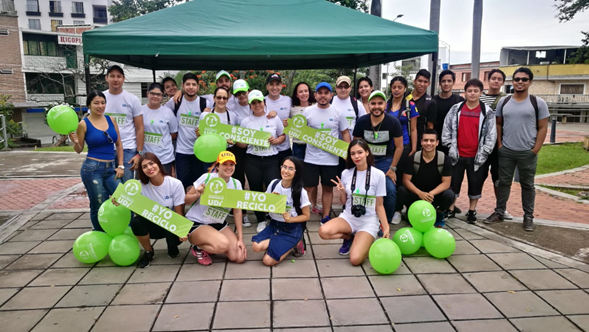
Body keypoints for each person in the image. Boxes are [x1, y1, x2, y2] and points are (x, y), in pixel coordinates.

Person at [484, 67, 549, 231]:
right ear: (512, 82)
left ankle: (528, 216)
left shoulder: (537, 103)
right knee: (503, 182)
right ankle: (499, 212)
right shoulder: (504, 102)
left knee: (527, 184)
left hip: (527, 151)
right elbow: (498, 124)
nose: (520, 82)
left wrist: (536, 149)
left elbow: (542, 127)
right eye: (517, 79)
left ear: (530, 82)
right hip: (506, 150)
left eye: (524, 79)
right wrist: (500, 144)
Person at [318, 139, 389, 264]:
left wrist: (386, 227)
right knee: (323, 231)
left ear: (367, 152)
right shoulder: (346, 173)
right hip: (349, 217)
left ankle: (365, 240)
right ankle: (349, 237)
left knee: (355, 260)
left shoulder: (378, 175)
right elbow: (344, 201)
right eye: (353, 153)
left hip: (368, 220)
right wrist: (341, 191)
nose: (356, 156)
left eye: (360, 152)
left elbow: (379, 205)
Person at [442, 78, 496, 224]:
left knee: (475, 183)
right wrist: (449, 145)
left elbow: (491, 135)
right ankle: (451, 208)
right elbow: (447, 128)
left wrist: (485, 151)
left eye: (475, 91)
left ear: (481, 93)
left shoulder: (487, 112)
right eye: (469, 91)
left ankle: (472, 211)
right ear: (465, 92)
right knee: (454, 183)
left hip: (477, 157)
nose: (472, 94)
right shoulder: (456, 109)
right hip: (457, 155)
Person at [69, 91, 124, 231]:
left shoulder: (111, 119)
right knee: (98, 204)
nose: (100, 106)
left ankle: (125, 229)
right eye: (96, 103)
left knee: (124, 199)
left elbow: (118, 144)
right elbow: (79, 149)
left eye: (103, 102)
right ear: (89, 105)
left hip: (111, 168)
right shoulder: (83, 124)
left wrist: (121, 166)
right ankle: (100, 233)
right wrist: (75, 142)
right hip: (92, 169)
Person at [185, 151, 247, 265]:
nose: (228, 167)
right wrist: (197, 194)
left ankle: (212, 243)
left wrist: (241, 239)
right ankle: (198, 248)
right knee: (222, 245)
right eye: (225, 164)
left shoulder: (236, 183)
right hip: (198, 222)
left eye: (231, 164)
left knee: (239, 256)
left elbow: (237, 211)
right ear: (217, 166)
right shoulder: (206, 178)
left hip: (217, 222)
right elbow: (186, 200)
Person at [302, 82, 351, 224]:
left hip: (331, 159)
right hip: (311, 158)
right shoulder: (308, 111)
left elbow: (345, 133)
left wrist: (347, 152)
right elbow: (300, 131)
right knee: (308, 188)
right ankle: (302, 215)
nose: (323, 96)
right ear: (315, 95)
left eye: (326, 93)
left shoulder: (338, 112)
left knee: (328, 189)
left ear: (331, 95)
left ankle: (326, 216)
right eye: (320, 93)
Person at [237, 89, 285, 233]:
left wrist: (276, 141)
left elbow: (282, 135)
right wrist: (235, 141)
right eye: (254, 103)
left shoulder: (273, 118)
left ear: (264, 103)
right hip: (253, 160)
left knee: (274, 188)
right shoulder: (246, 121)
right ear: (250, 105)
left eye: (259, 102)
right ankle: (261, 220)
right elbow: (243, 145)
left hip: (271, 159)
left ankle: (275, 218)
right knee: (256, 189)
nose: (257, 105)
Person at [353, 90, 403, 225]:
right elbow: (356, 145)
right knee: (360, 188)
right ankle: (360, 217)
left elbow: (399, 147)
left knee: (390, 190)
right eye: (373, 103)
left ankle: (384, 222)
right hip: (366, 160)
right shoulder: (362, 121)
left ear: (385, 105)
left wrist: (392, 168)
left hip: (385, 161)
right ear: (368, 105)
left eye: (380, 103)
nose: (376, 106)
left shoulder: (393, 122)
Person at [252, 156, 311, 266]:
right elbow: (263, 209)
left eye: (290, 168)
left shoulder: (300, 192)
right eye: (284, 167)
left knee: (267, 261)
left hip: (292, 228)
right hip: (274, 225)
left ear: (296, 172)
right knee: (256, 246)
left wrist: (291, 219)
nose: (286, 171)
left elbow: (306, 216)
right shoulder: (274, 184)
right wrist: (270, 202)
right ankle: (281, 243)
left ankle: (295, 242)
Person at [130, 153, 185, 268]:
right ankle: (149, 252)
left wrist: (181, 231)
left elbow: (179, 212)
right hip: (152, 226)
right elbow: (128, 202)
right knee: (136, 222)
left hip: (169, 225)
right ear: (141, 171)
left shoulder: (175, 183)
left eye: (151, 163)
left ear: (158, 164)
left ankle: (172, 246)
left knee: (173, 220)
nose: (149, 168)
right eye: (144, 167)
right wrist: (117, 201)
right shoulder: (138, 186)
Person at [396, 129, 454, 228]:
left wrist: (431, 194)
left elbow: (446, 183)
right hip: (416, 195)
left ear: (437, 143)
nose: (428, 143)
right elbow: (406, 181)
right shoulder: (413, 158)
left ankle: (439, 214)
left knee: (450, 194)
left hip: (433, 196)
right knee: (401, 190)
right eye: (426, 140)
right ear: (421, 142)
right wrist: (420, 193)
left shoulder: (444, 159)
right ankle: (411, 211)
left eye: (432, 141)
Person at [165, 73, 211, 189]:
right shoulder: (175, 102)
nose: (191, 87)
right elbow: (163, 114)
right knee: (181, 185)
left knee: (198, 186)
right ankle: (182, 207)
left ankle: (196, 208)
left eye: (194, 84)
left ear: (198, 87)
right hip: (182, 152)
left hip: (199, 152)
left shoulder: (205, 103)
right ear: (183, 86)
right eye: (188, 84)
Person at [479, 69, 513, 220]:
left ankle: (501, 208)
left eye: (499, 79)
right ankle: (473, 208)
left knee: (498, 178)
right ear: (488, 80)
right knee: (478, 177)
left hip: (499, 145)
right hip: (481, 145)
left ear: (503, 82)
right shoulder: (479, 97)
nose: (496, 81)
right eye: (493, 78)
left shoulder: (507, 100)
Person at [103, 65, 144, 182]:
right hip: (106, 149)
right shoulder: (100, 98)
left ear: (123, 79)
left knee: (127, 187)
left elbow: (140, 128)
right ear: (106, 78)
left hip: (128, 149)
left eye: (119, 76)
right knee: (107, 185)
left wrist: (139, 153)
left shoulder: (132, 99)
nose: (115, 79)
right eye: (112, 76)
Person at [386, 76, 420, 192]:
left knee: (400, 175)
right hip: (388, 146)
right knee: (387, 175)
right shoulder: (386, 105)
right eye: (394, 87)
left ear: (405, 89)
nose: (396, 90)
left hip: (404, 146)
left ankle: (398, 207)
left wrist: (414, 148)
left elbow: (414, 129)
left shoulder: (410, 106)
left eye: (399, 87)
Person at [229, 79, 252, 228]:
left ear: (248, 91)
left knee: (256, 180)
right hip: (238, 148)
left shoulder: (257, 103)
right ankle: (242, 213)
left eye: (243, 92)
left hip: (256, 148)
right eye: (238, 93)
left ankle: (263, 213)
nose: (241, 95)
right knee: (238, 181)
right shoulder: (232, 106)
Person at [141, 83, 178, 174]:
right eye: (152, 93)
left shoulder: (168, 112)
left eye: (158, 94)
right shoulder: (140, 110)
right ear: (147, 94)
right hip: (145, 157)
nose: (155, 96)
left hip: (164, 157)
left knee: (164, 184)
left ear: (162, 96)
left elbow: (174, 133)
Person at [433, 69, 464, 155]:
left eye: (449, 81)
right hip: (436, 141)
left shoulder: (459, 101)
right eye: (443, 81)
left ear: (453, 82)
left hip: (453, 142)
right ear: (439, 83)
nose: (446, 84)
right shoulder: (433, 100)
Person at [265, 73, 293, 161]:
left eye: (277, 84)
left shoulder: (288, 100)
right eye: (271, 84)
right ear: (267, 86)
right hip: (267, 148)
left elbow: (295, 121)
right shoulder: (261, 101)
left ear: (281, 86)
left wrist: (289, 123)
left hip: (284, 148)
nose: (274, 87)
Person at [411, 69, 437, 149]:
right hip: (403, 139)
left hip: (419, 142)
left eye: (425, 82)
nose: (422, 84)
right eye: (420, 81)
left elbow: (430, 127)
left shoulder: (431, 102)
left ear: (429, 84)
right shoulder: (405, 97)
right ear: (414, 81)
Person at [290, 82, 316, 161]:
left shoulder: (316, 107)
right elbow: (289, 125)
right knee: (299, 169)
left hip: (313, 145)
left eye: (306, 91)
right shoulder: (292, 109)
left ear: (309, 92)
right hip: (298, 145)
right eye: (300, 92)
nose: (304, 94)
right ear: (297, 95)